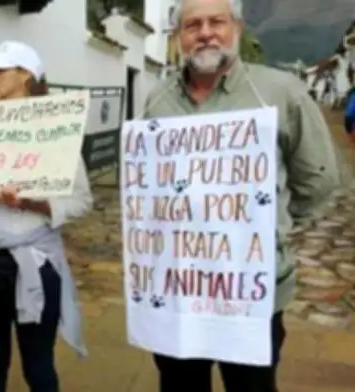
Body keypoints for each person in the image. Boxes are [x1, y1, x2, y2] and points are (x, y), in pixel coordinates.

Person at [143, 0, 340, 391]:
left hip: (252, 291)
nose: (205, 33)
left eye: (216, 21)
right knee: (180, 384)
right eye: (192, 24)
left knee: (251, 386)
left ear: (237, 27)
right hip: (178, 289)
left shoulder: (281, 92)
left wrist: (270, 225)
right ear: (179, 36)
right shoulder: (157, 98)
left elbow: (318, 179)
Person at [0, 41, 90, 392]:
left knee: (38, 365)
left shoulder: (56, 130)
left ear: (26, 75)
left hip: (36, 263)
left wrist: (33, 204)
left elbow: (82, 200)